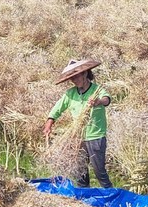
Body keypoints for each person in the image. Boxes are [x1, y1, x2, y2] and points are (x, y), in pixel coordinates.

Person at [44, 59, 113, 188]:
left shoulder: (97, 90)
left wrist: (99, 101)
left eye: (76, 77)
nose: (75, 80)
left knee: (99, 171)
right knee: (80, 172)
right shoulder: (70, 94)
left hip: (95, 136)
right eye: (72, 79)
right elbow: (58, 108)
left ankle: (111, 194)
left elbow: (107, 99)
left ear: (85, 74)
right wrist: (50, 121)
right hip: (78, 137)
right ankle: (83, 197)